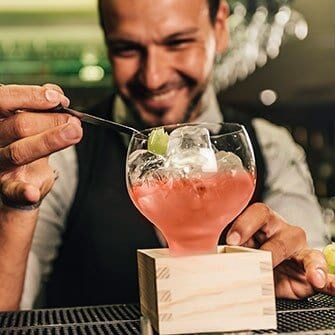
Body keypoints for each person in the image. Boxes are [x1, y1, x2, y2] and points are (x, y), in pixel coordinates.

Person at [0, 0, 334, 311]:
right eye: (127, 48)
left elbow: (314, 271)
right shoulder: (64, 154)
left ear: (220, 27)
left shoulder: (270, 146)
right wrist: (15, 206)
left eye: (177, 42)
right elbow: (10, 311)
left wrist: (298, 276)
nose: (154, 77)